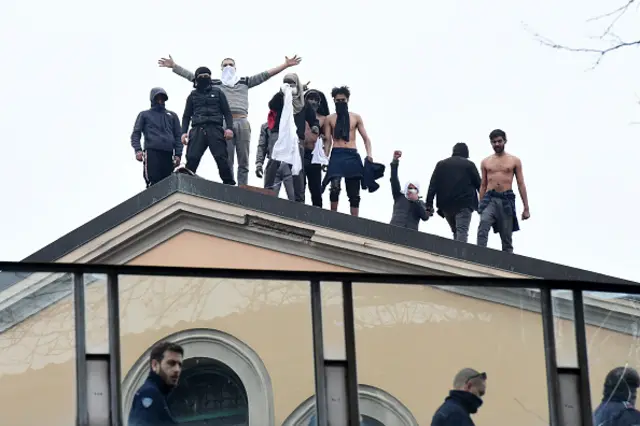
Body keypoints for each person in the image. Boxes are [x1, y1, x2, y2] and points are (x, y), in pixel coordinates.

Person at [158, 54, 302, 186]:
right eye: (225, 65)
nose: (228, 67)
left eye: (230, 64)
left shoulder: (245, 82)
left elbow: (265, 75)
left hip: (242, 121)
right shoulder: (215, 85)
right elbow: (194, 77)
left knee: (243, 159)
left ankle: (242, 187)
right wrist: (174, 66)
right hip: (225, 124)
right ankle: (230, 187)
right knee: (227, 159)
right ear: (221, 68)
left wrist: (285, 65)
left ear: (235, 68)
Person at [267, 74, 320, 203]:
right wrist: (282, 92)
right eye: (286, 83)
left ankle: (299, 200)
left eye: (292, 83)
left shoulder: (303, 104)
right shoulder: (282, 99)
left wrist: (315, 126)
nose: (289, 86)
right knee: (273, 164)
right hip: (279, 136)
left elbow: (313, 119)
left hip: (296, 140)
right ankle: (267, 194)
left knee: (297, 170)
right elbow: (272, 105)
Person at [322, 86, 373, 217]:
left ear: (348, 100)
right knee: (334, 187)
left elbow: (366, 138)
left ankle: (354, 219)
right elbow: (328, 141)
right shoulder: (330, 119)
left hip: (351, 153)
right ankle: (332, 216)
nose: (340, 102)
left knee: (354, 192)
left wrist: (369, 155)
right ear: (333, 101)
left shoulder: (356, 117)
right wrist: (324, 158)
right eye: (337, 100)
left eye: (343, 100)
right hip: (337, 153)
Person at [477, 129, 530, 253]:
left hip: (506, 199)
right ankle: (478, 253)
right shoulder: (486, 162)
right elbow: (483, 184)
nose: (497, 144)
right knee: (483, 224)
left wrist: (526, 207)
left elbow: (521, 183)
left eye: (499, 141)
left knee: (506, 234)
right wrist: (481, 204)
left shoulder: (514, 160)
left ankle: (508, 261)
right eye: (494, 142)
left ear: (505, 141)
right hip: (489, 198)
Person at [181, 67, 236, 185]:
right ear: (196, 79)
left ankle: (229, 185)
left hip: (215, 128)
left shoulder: (218, 92)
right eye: (201, 76)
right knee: (192, 157)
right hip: (197, 129)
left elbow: (227, 112)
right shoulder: (192, 95)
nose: (204, 78)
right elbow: (186, 116)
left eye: (207, 76)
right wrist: (183, 132)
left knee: (222, 158)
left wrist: (229, 128)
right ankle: (185, 185)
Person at [425, 143, 481, 243]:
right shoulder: (469, 164)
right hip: (464, 204)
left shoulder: (441, 164)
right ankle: (459, 256)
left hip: (446, 205)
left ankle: (455, 252)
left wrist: (429, 204)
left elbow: (433, 185)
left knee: (455, 230)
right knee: (462, 230)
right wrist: (484, 203)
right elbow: (479, 185)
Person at [130, 88, 182, 188]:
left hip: (168, 153)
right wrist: (138, 150)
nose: (160, 100)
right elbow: (136, 134)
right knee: (153, 181)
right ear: (153, 99)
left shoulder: (172, 115)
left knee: (168, 183)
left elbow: (178, 136)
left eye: (162, 98)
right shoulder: (144, 115)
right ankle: (152, 200)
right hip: (152, 151)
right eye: (158, 98)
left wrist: (178, 155)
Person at [128, 341, 184, 426]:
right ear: (155, 365)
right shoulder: (149, 393)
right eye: (171, 363)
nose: (177, 369)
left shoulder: (159, 394)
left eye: (180, 365)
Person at [301, 89, 331, 207]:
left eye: (316, 100)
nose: (312, 102)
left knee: (316, 189)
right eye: (310, 98)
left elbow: (328, 139)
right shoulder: (300, 115)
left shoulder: (323, 118)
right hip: (300, 154)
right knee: (299, 186)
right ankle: (298, 211)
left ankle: (318, 214)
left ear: (320, 103)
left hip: (315, 157)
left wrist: (325, 158)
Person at [255, 118, 295, 200]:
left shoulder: (293, 124)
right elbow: (262, 146)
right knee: (269, 200)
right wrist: (259, 163)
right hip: (273, 163)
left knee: (295, 199)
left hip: (289, 164)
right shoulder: (266, 126)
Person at [389, 150, 429, 229]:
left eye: (415, 189)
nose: (412, 190)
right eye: (410, 188)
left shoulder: (421, 203)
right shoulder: (399, 196)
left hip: (411, 235)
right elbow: (394, 179)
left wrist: (416, 201)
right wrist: (395, 161)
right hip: (394, 230)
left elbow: (425, 217)